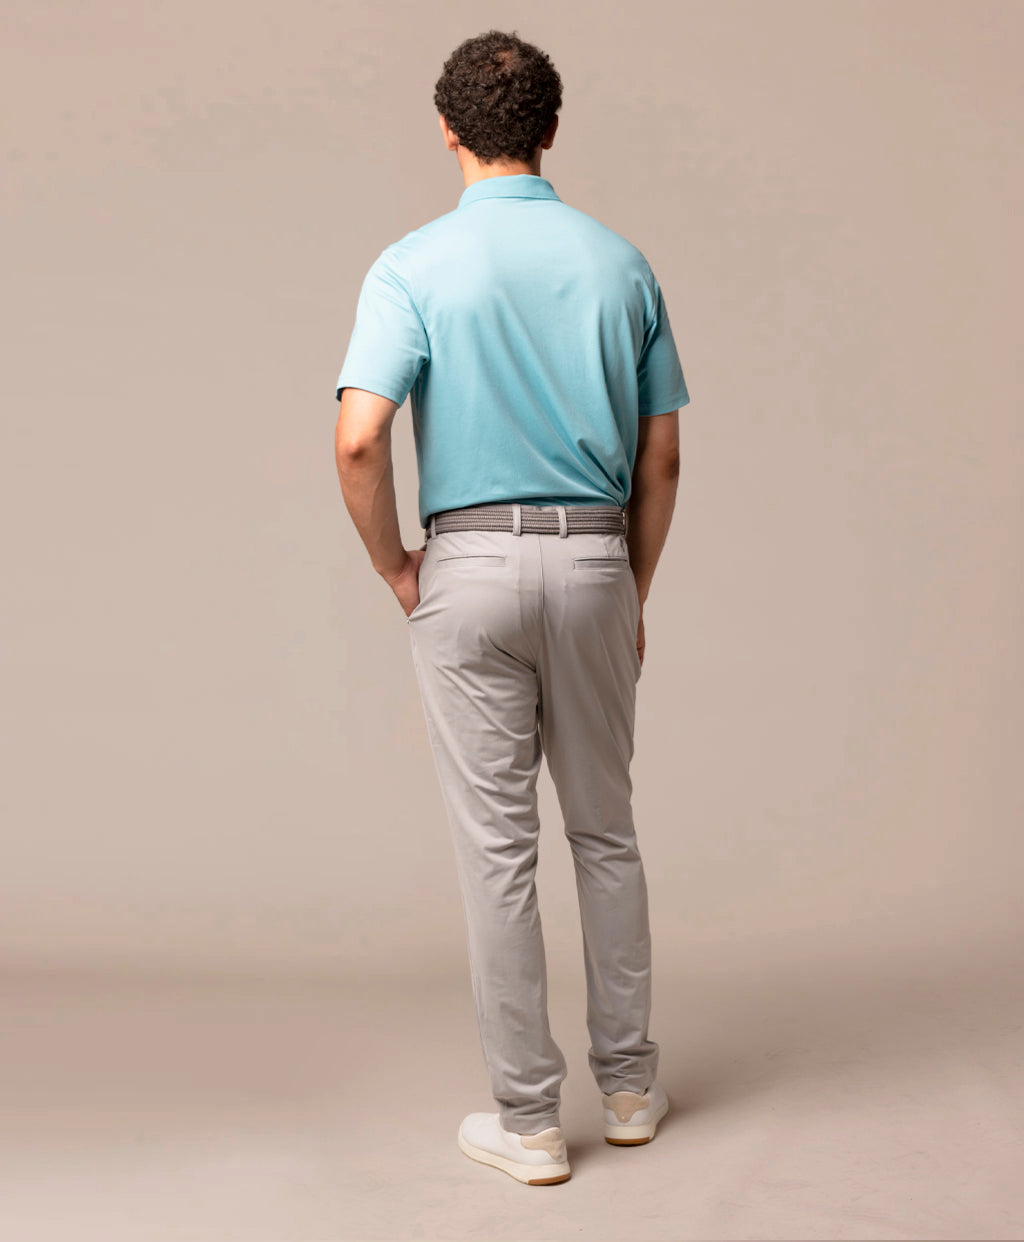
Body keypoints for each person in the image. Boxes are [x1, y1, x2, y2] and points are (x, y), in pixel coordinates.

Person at [333, 28, 688, 1186]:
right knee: (605, 833)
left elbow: (358, 438)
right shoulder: (621, 264)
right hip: (593, 561)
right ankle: (628, 1090)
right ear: (551, 128)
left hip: (468, 566)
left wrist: (396, 567)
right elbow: (661, 459)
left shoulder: (411, 264)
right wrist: (626, 591)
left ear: (446, 130)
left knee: (498, 853)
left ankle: (529, 1123)